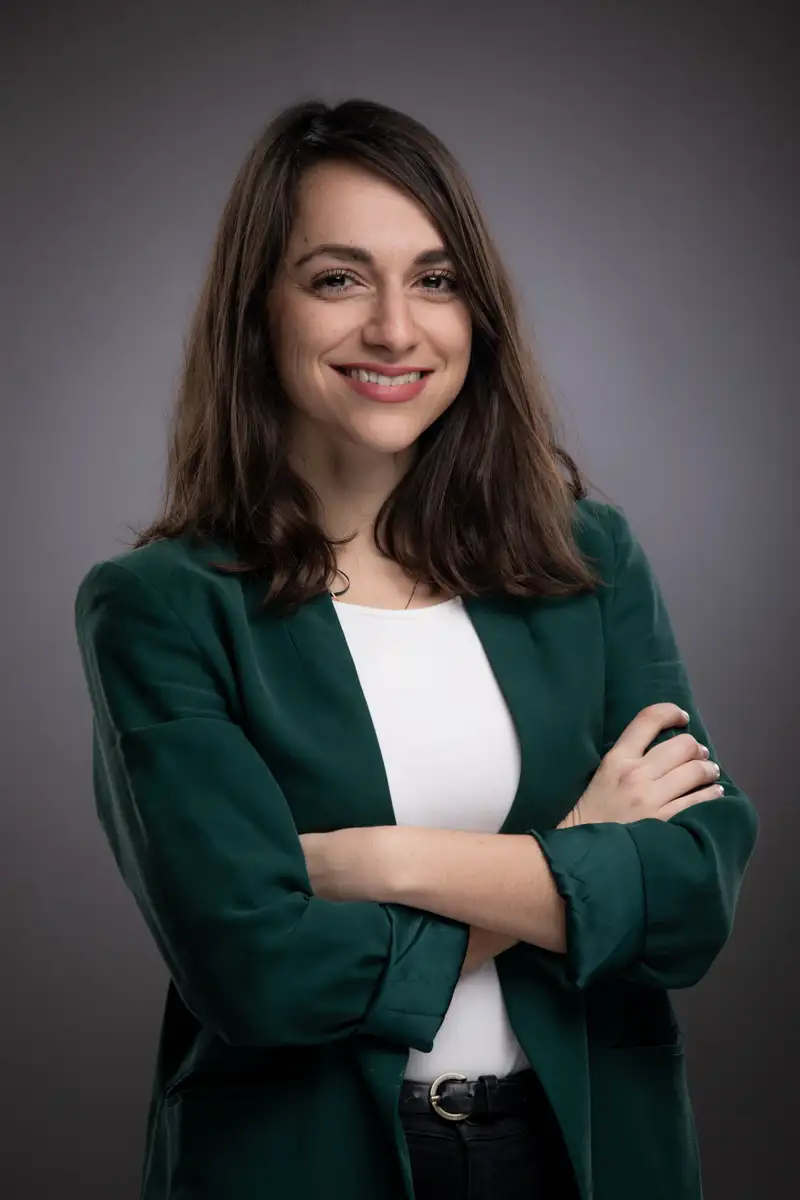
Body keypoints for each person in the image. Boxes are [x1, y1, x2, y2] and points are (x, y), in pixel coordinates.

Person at [73, 97, 759, 1200]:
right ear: (259, 310)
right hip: (306, 1166)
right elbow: (261, 971)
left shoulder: (585, 558)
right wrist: (578, 857)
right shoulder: (157, 605)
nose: (397, 329)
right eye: (338, 278)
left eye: (436, 280)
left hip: (583, 1150)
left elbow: (689, 893)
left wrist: (384, 861)